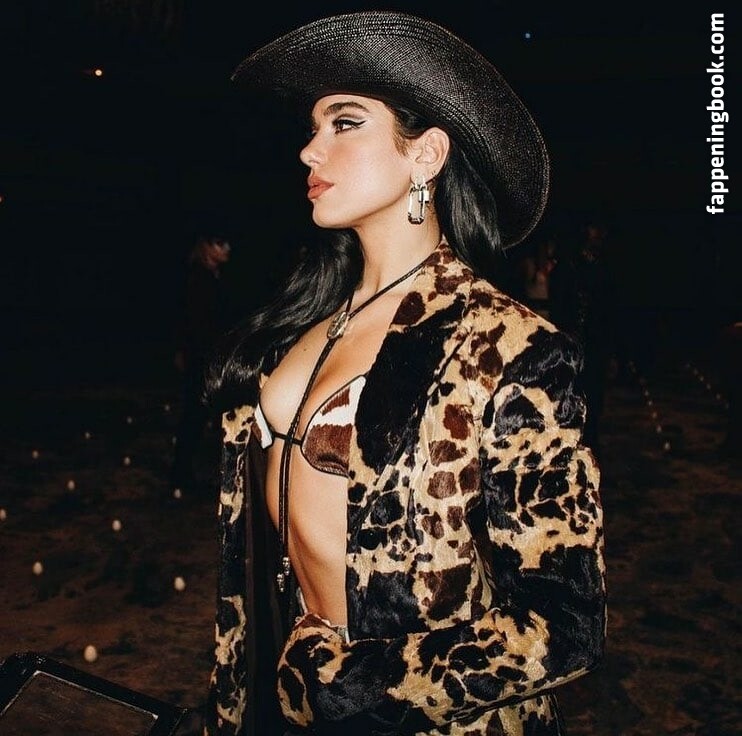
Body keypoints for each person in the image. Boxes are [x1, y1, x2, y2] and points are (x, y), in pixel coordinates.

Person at [203, 12, 606, 736]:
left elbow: (565, 625)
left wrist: (357, 685)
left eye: (344, 123)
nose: (309, 149)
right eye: (313, 127)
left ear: (426, 155)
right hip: (283, 699)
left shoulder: (506, 347)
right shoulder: (302, 322)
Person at [170, 234, 232, 496]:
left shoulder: (215, 275)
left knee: (201, 415)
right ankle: (181, 474)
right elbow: (192, 321)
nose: (226, 249)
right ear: (206, 247)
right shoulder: (198, 277)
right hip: (200, 357)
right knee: (194, 415)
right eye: (220, 243)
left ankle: (188, 472)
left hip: (208, 356)